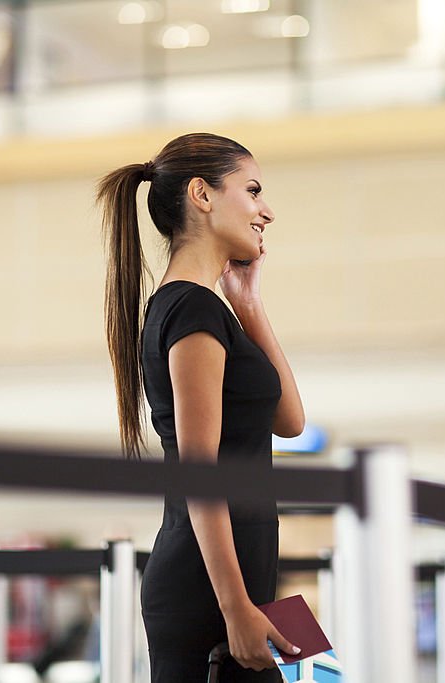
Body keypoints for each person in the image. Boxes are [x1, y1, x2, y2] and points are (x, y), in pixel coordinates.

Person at [98, 133, 304, 681]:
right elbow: (199, 471)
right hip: (208, 590)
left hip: (241, 576)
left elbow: (290, 421)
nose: (267, 211)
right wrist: (236, 609)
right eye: (253, 190)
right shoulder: (190, 310)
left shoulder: (214, 309)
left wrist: (250, 303)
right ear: (202, 194)